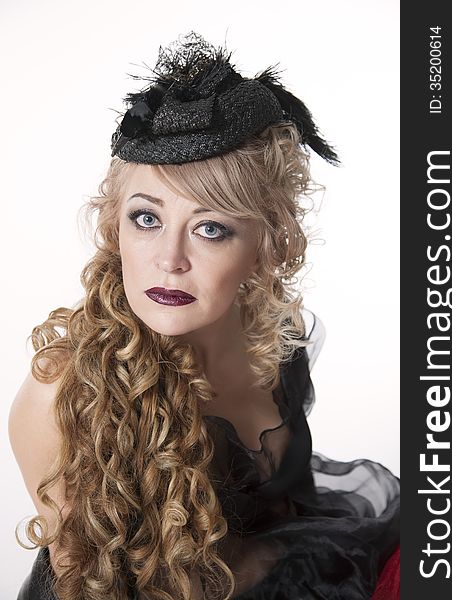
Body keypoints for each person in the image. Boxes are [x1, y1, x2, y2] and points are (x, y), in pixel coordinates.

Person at [9, 32, 400, 600]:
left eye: (211, 228)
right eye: (146, 219)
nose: (168, 260)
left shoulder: (278, 343)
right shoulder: (63, 391)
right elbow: (83, 581)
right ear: (113, 225)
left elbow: (289, 505)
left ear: (270, 246)